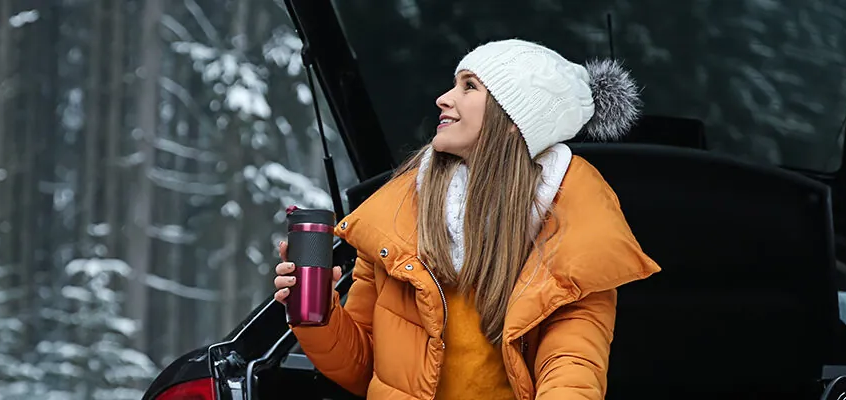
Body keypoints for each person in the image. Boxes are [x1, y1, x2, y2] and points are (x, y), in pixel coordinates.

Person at [270, 39, 662, 400]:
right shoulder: (391, 219)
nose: (443, 99)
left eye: (468, 87)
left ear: (514, 117)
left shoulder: (578, 229)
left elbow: (572, 371)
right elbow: (362, 370)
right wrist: (317, 313)